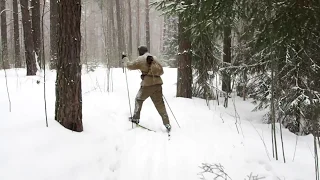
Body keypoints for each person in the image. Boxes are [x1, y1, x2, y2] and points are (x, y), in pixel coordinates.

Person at [122, 46, 171, 133]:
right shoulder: (154, 58)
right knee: (160, 104)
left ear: (140, 52)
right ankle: (167, 123)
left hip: (148, 85)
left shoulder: (141, 59)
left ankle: (136, 118)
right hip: (158, 84)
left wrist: (125, 59)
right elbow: (162, 71)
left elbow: (129, 66)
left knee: (138, 99)